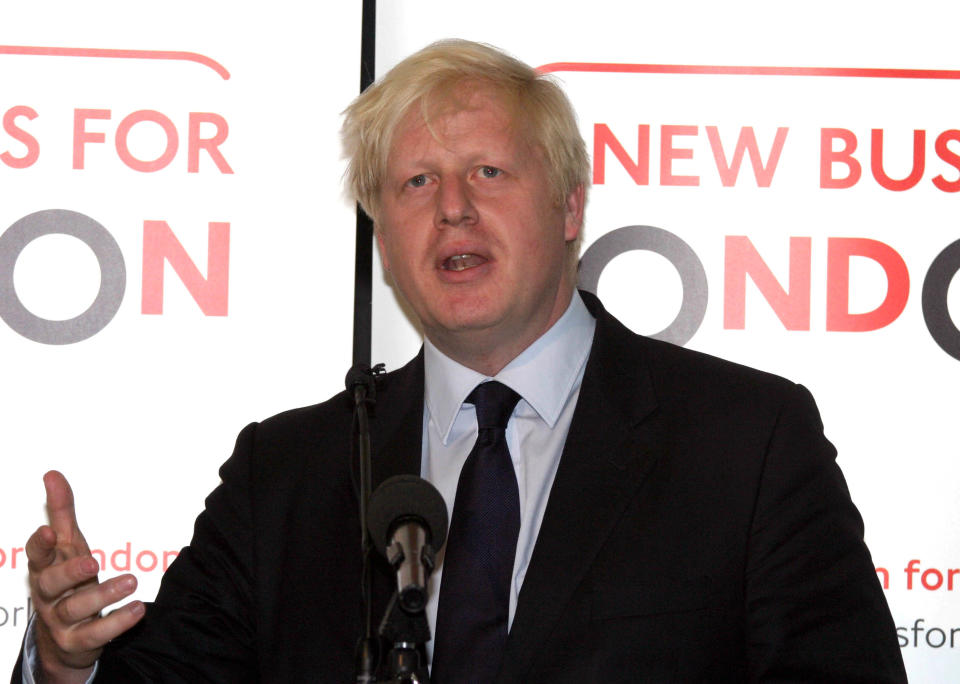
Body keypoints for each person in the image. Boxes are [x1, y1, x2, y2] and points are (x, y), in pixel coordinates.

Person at [14, 39, 906, 683]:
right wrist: (63, 663)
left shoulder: (745, 444)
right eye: (414, 183)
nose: (451, 210)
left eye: (487, 172)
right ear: (384, 243)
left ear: (568, 208)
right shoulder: (286, 473)